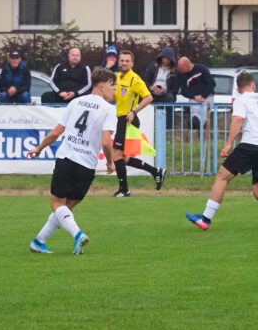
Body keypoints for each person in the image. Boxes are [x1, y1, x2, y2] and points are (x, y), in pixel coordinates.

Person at [185, 71, 258, 233]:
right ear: (253, 85)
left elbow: (237, 120)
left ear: (238, 89)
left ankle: (205, 218)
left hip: (250, 144)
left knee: (222, 176)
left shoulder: (241, 100)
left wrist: (228, 144)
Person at [25, 68, 118, 255]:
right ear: (101, 86)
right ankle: (39, 242)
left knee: (58, 206)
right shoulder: (109, 109)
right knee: (66, 207)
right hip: (87, 166)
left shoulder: (75, 102)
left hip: (67, 159)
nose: (115, 89)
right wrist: (110, 162)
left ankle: (76, 235)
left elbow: (56, 132)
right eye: (112, 85)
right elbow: (106, 142)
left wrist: (39, 148)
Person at [111, 50, 164, 196]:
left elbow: (148, 97)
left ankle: (124, 190)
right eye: (122, 60)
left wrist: (134, 111)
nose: (124, 63)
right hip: (120, 119)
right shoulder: (116, 78)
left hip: (128, 120)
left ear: (132, 63)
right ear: (118, 62)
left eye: (127, 61)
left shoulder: (135, 79)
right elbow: (113, 96)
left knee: (117, 155)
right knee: (124, 157)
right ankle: (155, 171)